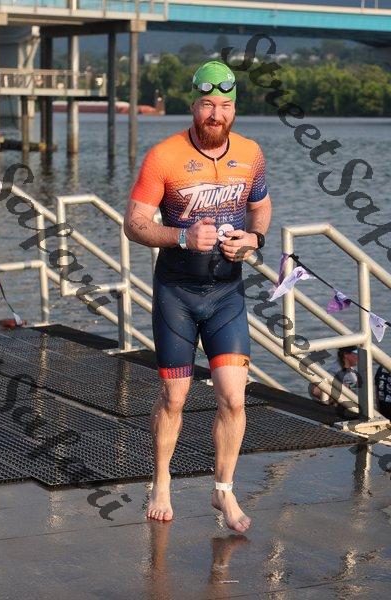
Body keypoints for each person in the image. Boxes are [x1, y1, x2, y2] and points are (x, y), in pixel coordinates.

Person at [124, 60, 272, 532]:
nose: (216, 114)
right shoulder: (164, 156)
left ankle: (223, 491)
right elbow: (134, 224)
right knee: (175, 396)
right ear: (193, 105)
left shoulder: (251, 153)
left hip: (227, 294)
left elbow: (261, 207)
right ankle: (161, 480)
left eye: (224, 105)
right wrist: (182, 237)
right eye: (208, 104)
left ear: (234, 109)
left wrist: (254, 240)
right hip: (178, 294)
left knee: (234, 398)